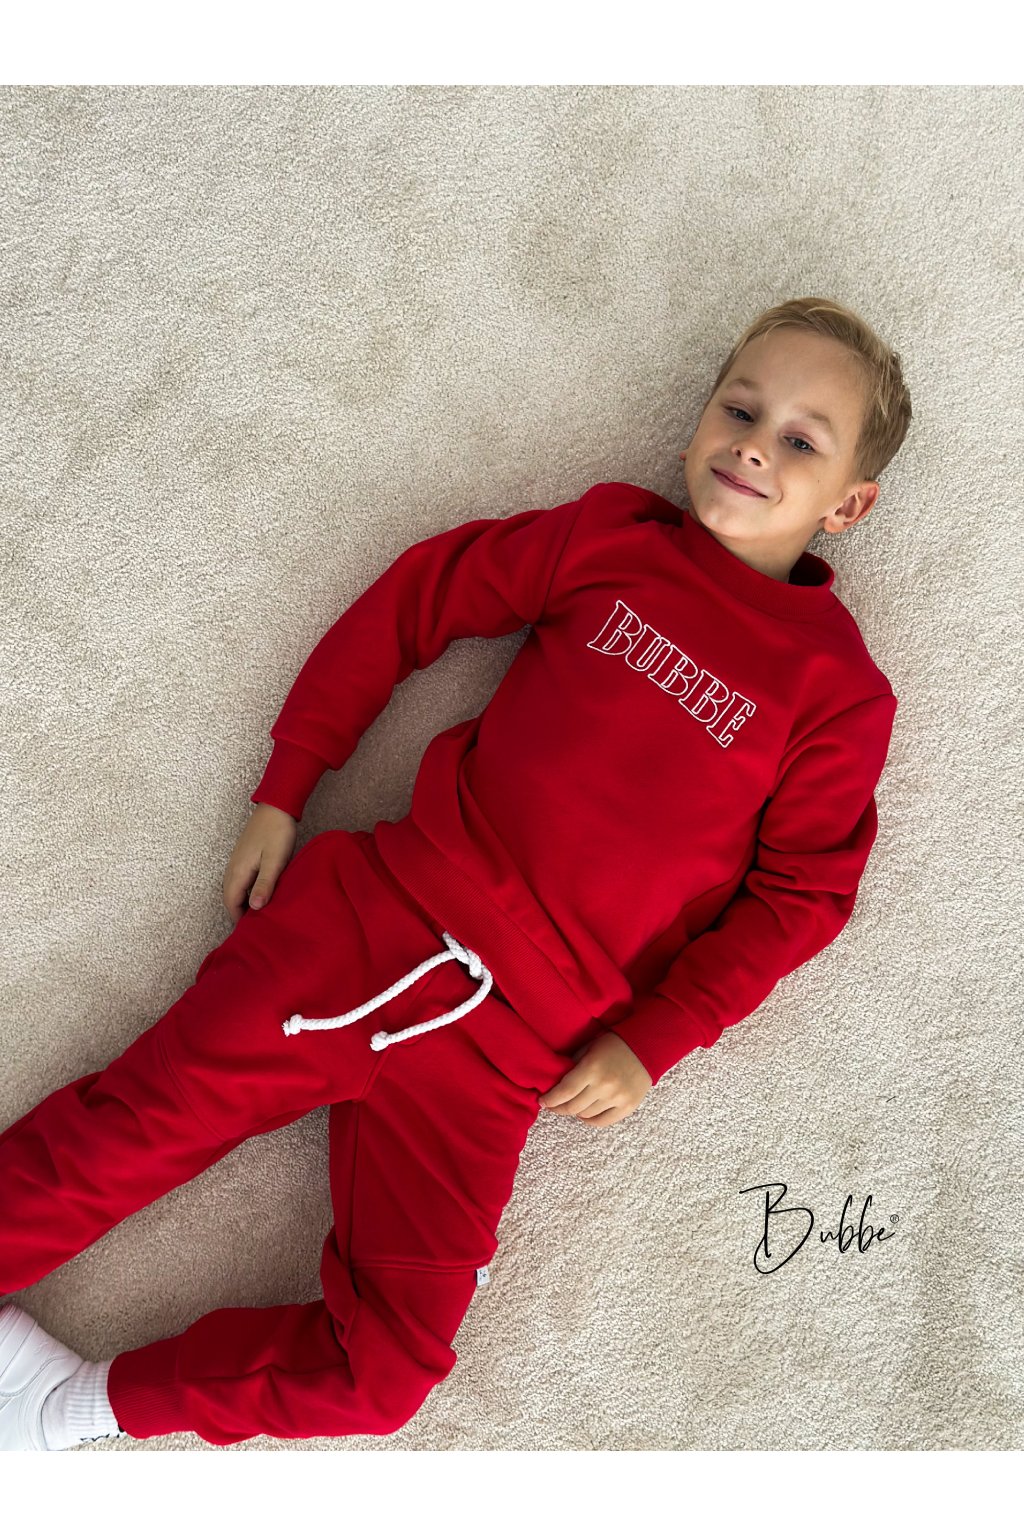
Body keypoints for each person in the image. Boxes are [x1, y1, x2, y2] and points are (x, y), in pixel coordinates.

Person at [0, 295, 911, 1450]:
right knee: (121, 1134)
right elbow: (417, 600)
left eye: (799, 440)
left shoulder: (836, 694)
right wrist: (289, 783)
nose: (754, 445)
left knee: (383, 1374)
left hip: (508, 1052)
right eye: (739, 409)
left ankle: (64, 1406)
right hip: (368, 925)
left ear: (847, 504)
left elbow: (800, 898)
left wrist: (655, 1039)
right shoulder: (611, 539)